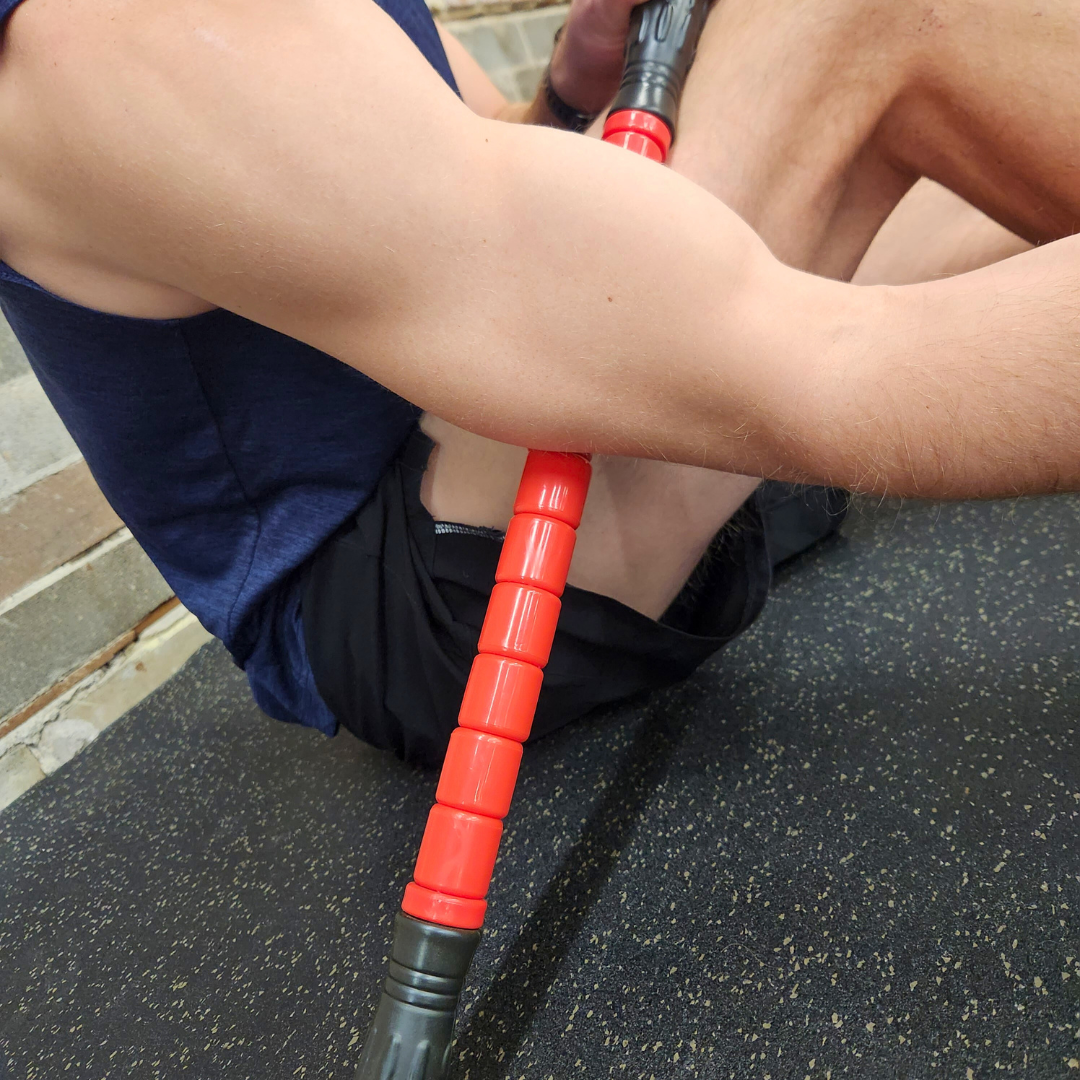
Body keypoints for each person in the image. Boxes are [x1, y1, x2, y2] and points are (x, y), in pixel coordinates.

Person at [0, 0, 1075, 767]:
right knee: (859, 15)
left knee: (962, 166)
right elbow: (802, 360)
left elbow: (478, 165)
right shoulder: (107, 36)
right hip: (430, 598)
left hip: (494, 418)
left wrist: (573, 86)